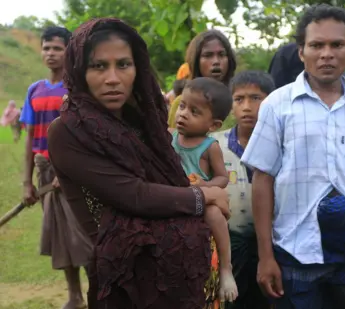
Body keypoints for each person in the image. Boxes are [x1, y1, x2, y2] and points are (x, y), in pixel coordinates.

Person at [47, 18, 230, 309]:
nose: (112, 78)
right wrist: (204, 195)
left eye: (123, 64)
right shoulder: (67, 130)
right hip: (125, 275)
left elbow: (171, 178)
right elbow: (132, 194)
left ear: (137, 67)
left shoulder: (148, 120)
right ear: (79, 69)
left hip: (184, 270)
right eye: (98, 66)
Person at [241, 4, 345, 309]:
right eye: (316, 45)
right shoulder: (278, 106)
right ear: (301, 51)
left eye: (337, 44)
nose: (326, 53)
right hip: (293, 255)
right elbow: (262, 180)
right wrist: (265, 256)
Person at [19, 26, 92, 309]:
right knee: (60, 236)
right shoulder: (34, 91)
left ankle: (99, 292)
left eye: (57, 48)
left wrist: (69, 171)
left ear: (69, 51)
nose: (51, 53)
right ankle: (74, 296)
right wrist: (27, 182)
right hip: (44, 171)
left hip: (73, 173)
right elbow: (30, 139)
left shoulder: (77, 89)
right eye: (46, 47)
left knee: (84, 236)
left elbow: (85, 136)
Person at [170, 77, 238, 303]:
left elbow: (222, 178)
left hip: (203, 200)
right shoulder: (170, 137)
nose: (183, 114)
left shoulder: (210, 147)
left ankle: (227, 269)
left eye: (194, 111)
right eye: (182, 106)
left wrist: (203, 186)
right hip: (174, 201)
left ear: (213, 125)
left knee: (214, 214)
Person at [211, 70, 274, 309]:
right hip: (228, 244)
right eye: (239, 99)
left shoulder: (281, 143)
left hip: (270, 246)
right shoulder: (214, 145)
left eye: (256, 98)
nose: (247, 106)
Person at [167, 30, 236, 128]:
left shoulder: (240, 101)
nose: (216, 61)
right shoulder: (181, 104)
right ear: (196, 61)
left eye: (221, 54)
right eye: (208, 55)